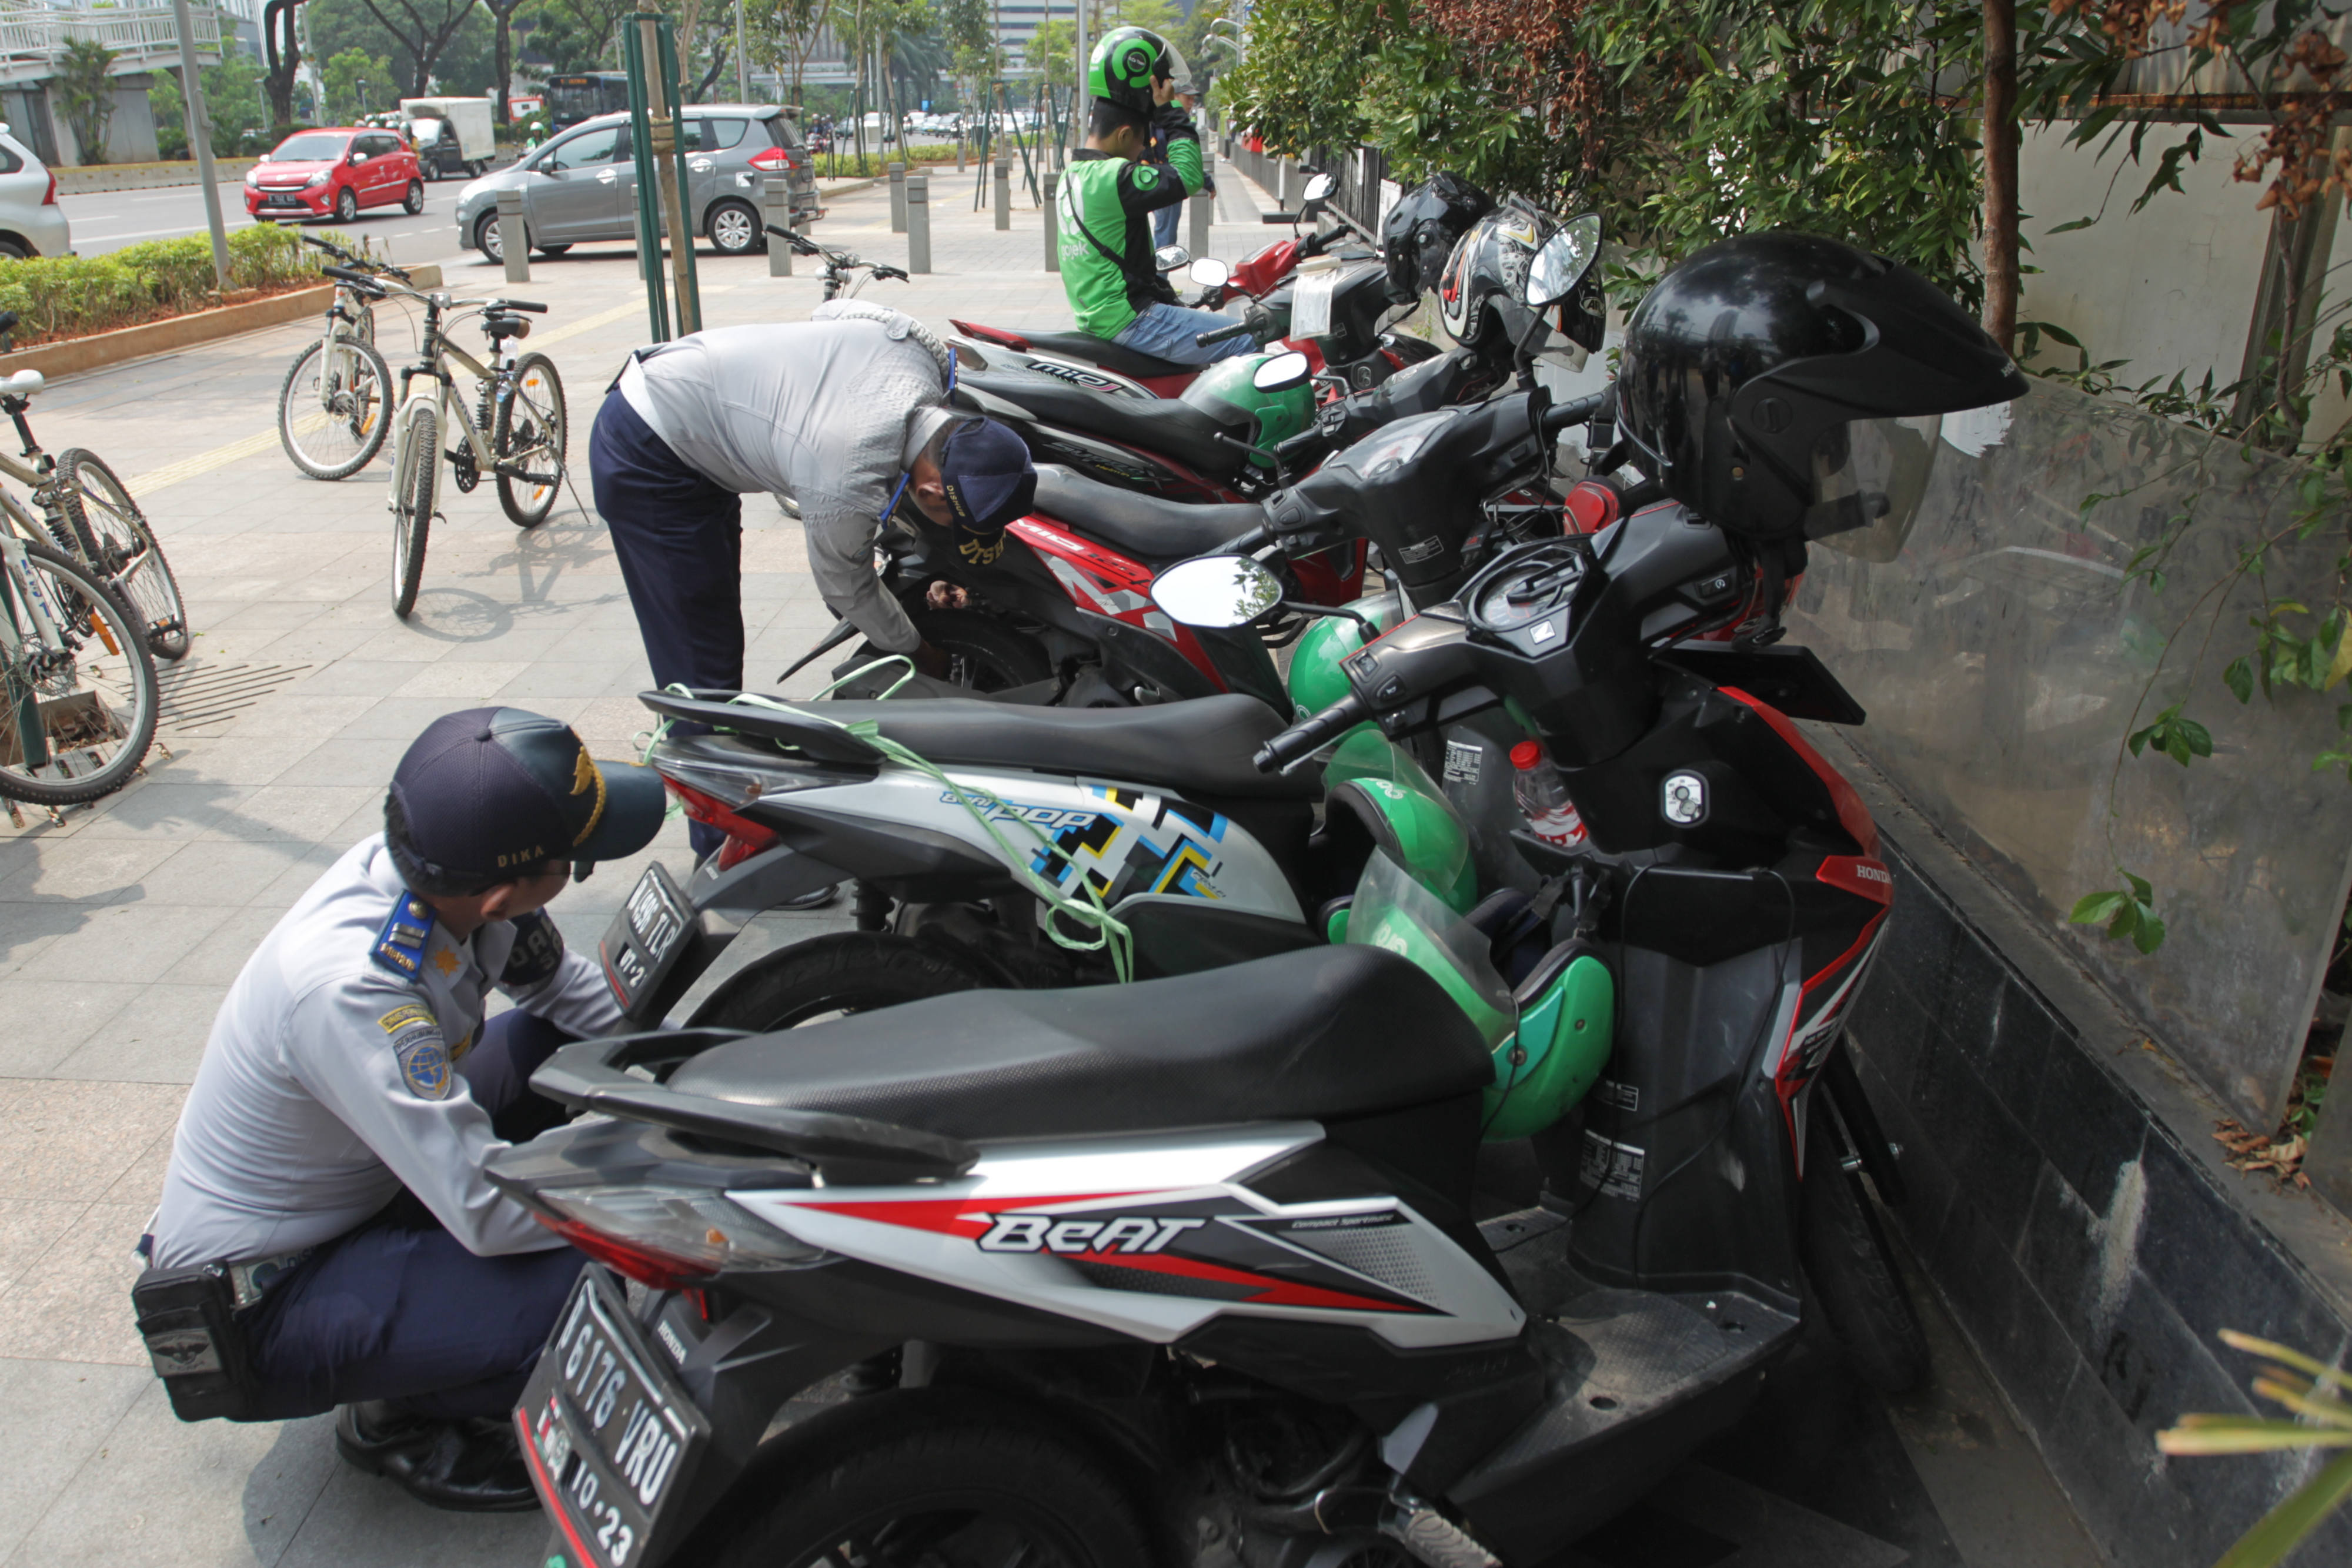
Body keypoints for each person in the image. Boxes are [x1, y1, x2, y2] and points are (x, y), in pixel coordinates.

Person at [143, 708, 667, 1511]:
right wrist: (651, 1162)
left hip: (353, 1188)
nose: (579, 866)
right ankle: (400, 1416)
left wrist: (673, 1082)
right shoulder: (350, 990)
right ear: (500, 893)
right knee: (584, 1279)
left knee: (551, 1045)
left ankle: (419, 1316)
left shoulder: (440, 873)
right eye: (575, 858)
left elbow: (562, 989)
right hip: (267, 1293)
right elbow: (489, 1210)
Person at [587, 302, 1037, 856]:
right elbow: (844, 586)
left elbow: (836, 311)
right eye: (949, 518)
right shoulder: (846, 470)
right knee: (701, 662)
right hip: (650, 451)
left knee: (715, 628)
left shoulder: (924, 358)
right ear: (929, 494)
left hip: (694, 397)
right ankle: (723, 844)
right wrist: (921, 651)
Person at [1058, 29, 1251, 365]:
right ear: (1124, 134)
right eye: (1140, 145)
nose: (1141, 154)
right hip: (1130, 320)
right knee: (1247, 338)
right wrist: (1169, 111)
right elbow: (1189, 178)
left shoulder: (1070, 176)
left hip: (1101, 320)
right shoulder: (1112, 178)